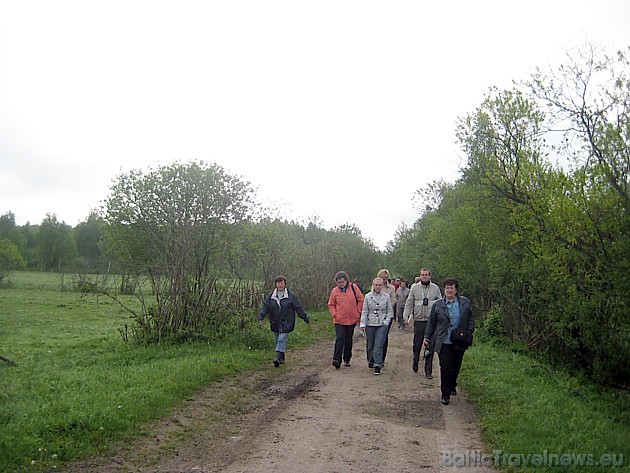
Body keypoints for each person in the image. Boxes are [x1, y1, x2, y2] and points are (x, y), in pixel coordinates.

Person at [424, 278, 474, 405]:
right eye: (447, 288)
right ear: (444, 290)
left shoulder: (464, 303)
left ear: (456, 289)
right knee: (445, 367)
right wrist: (427, 337)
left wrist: (469, 331)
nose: (449, 290)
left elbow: (470, 318)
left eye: (452, 288)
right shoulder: (438, 305)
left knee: (456, 366)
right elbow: (431, 323)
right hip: (444, 340)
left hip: (459, 339)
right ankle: (445, 394)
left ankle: (452, 384)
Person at [258, 275, 309, 367]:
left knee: (281, 339)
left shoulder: (291, 296)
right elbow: (266, 307)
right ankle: (282, 358)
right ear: (275, 284)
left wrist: (305, 318)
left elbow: (298, 308)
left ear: (285, 284)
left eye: (282, 283)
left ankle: (277, 358)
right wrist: (261, 317)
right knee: (278, 340)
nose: (280, 285)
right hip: (275, 322)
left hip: (287, 322)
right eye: (278, 283)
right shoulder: (271, 296)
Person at [403, 268, 442, 377]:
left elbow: (440, 303)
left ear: (430, 276)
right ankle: (415, 360)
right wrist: (406, 316)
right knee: (417, 343)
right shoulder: (415, 288)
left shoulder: (435, 288)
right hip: (419, 320)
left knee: (430, 345)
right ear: (420, 276)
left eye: (426, 275)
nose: (424, 276)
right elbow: (409, 302)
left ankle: (428, 370)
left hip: (431, 320)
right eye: (423, 275)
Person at [328, 271, 365, 369]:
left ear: (346, 280)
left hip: (352, 319)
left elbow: (361, 299)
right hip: (339, 320)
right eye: (339, 282)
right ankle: (336, 359)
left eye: (342, 282)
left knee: (348, 340)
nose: (341, 284)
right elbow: (331, 304)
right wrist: (335, 314)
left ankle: (347, 358)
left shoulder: (354, 288)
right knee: (340, 339)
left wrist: (358, 311)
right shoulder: (334, 291)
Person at [360, 277, 393, 375]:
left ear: (382, 286)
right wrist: (363, 323)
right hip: (370, 323)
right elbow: (365, 311)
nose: (378, 287)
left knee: (378, 345)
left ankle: (378, 365)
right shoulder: (367, 296)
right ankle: (371, 360)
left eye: (380, 285)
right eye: (376, 285)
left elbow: (390, 311)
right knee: (370, 345)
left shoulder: (386, 297)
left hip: (381, 324)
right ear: (373, 286)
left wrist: (386, 321)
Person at [376, 269, 397, 363]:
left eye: (385, 278)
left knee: (383, 336)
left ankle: (382, 359)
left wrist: (384, 307)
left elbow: (393, 301)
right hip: (375, 315)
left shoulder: (391, 288)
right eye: (381, 278)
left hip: (387, 315)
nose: (383, 280)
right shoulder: (375, 286)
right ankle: (374, 357)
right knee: (374, 337)